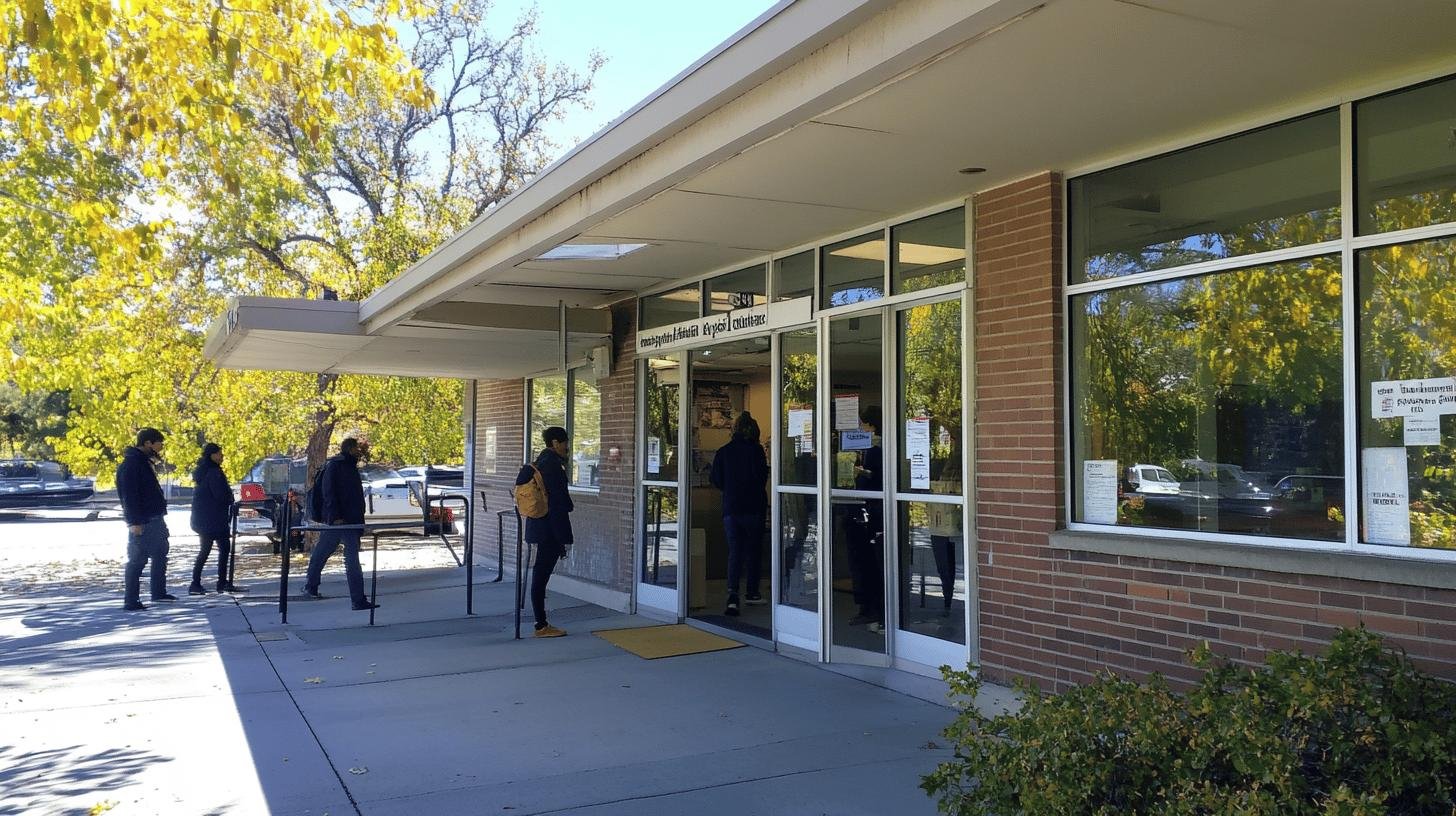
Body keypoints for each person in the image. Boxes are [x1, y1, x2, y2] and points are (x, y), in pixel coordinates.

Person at [302, 438, 376, 611]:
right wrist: (334, 516)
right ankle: (356, 599)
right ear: (350, 448)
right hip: (341, 521)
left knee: (324, 554)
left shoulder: (349, 466)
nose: (360, 451)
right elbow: (329, 492)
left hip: (349, 520)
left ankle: (312, 586)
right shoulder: (336, 465)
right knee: (349, 561)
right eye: (357, 448)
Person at [710, 411, 769, 617]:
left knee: (735, 551)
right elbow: (763, 477)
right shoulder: (756, 451)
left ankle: (732, 594)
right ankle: (752, 592)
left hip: (731, 508)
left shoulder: (723, 452)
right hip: (754, 507)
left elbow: (716, 480)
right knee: (754, 551)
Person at [517, 426, 574, 638]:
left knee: (539, 573)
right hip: (550, 529)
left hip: (536, 525)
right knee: (541, 575)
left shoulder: (535, 465)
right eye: (565, 442)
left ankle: (541, 622)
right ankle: (541, 625)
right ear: (556, 443)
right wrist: (565, 539)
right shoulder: (552, 468)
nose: (568, 446)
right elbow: (559, 505)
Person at [117, 427, 175, 610]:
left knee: (160, 554)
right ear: (147, 443)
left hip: (154, 518)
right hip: (142, 521)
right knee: (137, 559)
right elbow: (129, 496)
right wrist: (134, 522)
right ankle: (131, 599)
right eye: (159, 443)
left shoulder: (143, 462)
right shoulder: (132, 464)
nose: (161, 448)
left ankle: (158, 592)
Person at [848, 405, 885, 632]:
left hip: (870, 513)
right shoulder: (880, 447)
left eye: (863, 424)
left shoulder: (874, 450)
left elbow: (870, 481)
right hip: (874, 512)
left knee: (867, 563)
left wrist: (858, 474)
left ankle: (873, 609)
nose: (861, 428)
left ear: (871, 425)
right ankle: (873, 609)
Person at [189, 442, 241, 594]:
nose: (222, 456)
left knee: (207, 550)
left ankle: (198, 582)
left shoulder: (204, 472)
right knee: (222, 549)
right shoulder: (213, 472)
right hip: (214, 519)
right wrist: (231, 499)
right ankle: (218, 582)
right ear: (212, 455)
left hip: (204, 518)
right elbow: (220, 495)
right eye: (219, 453)